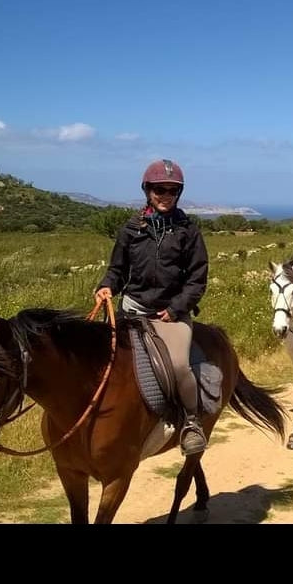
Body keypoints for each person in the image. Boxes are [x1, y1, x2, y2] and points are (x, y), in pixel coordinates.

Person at [94, 158, 210, 456]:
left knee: (181, 367)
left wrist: (176, 308)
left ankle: (192, 423)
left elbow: (197, 279)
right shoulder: (131, 230)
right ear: (148, 190)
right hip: (131, 309)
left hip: (170, 316)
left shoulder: (188, 231)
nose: (165, 195)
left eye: (172, 190)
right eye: (159, 189)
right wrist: (106, 286)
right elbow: (117, 270)